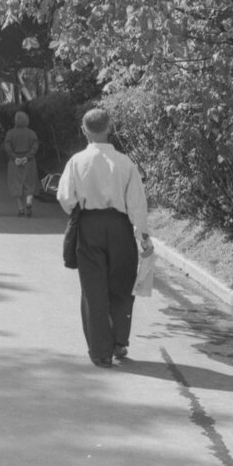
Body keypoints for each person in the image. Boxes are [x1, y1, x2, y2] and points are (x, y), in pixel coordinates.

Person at [56, 108, 152, 368]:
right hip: (120, 226)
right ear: (110, 128)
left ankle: (100, 351)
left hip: (89, 226)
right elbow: (136, 203)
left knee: (93, 288)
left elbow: (65, 198)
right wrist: (143, 235)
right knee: (122, 281)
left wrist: (79, 208)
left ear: (83, 130)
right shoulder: (125, 162)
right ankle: (120, 340)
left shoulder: (76, 161)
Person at [4, 111, 40, 216]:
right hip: (29, 162)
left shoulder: (10, 133)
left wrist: (14, 157)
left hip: (14, 162)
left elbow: (7, 146)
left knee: (16, 185)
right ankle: (29, 202)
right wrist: (27, 157)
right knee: (30, 183)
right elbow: (35, 146)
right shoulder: (32, 133)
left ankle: (20, 208)